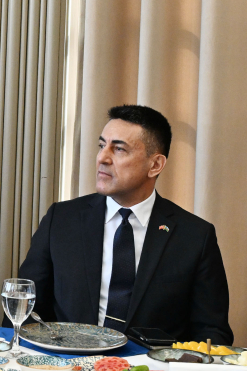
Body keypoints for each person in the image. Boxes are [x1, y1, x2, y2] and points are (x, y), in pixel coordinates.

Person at [19, 105, 233, 343]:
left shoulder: (195, 236)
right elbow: (25, 309)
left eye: (119, 149)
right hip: (68, 359)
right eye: (102, 145)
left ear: (155, 165)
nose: (102, 158)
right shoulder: (61, 219)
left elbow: (212, 332)